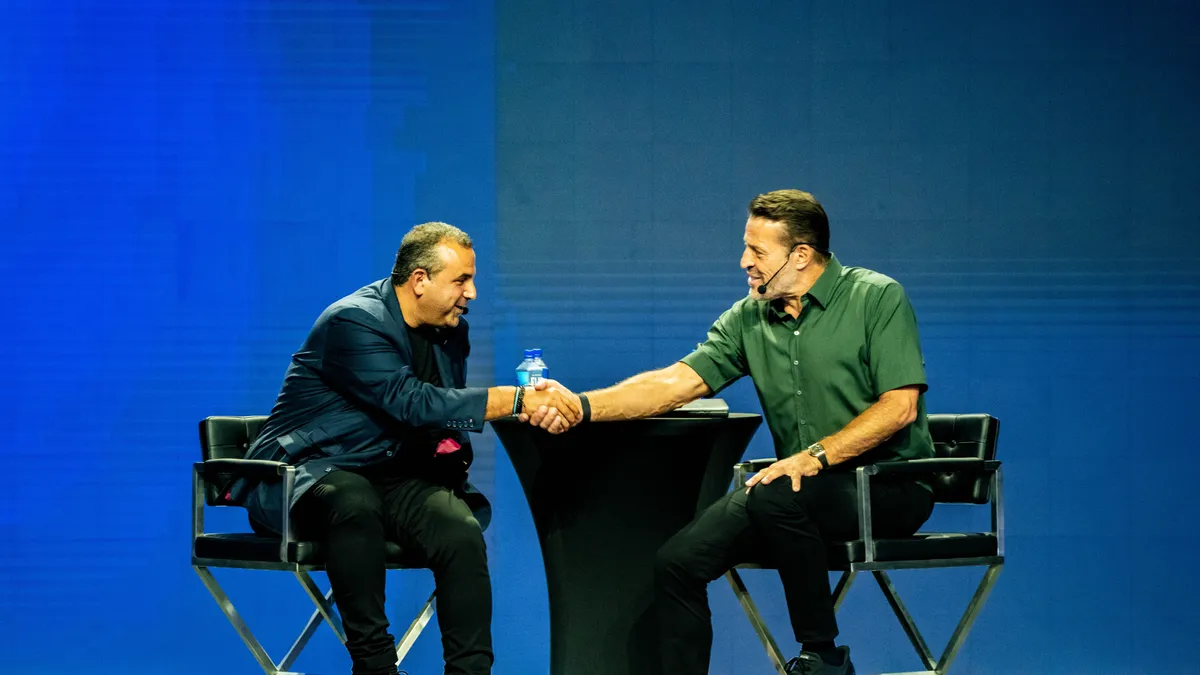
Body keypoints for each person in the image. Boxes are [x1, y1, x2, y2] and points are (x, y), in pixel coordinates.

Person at [532, 190, 935, 675]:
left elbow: (899, 407)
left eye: (758, 252)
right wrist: (580, 406)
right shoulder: (749, 317)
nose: (744, 261)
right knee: (678, 562)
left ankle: (824, 657)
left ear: (801, 255)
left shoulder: (876, 297)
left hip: (889, 487)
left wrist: (814, 456)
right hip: (795, 493)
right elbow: (674, 383)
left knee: (775, 493)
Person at [230, 222, 580, 675]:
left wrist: (525, 407)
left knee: (458, 530)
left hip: (387, 473)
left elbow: (442, 414)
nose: (471, 293)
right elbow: (413, 403)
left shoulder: (449, 330)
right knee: (352, 501)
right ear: (419, 280)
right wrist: (515, 399)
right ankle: (375, 667)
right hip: (306, 476)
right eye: (461, 280)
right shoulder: (352, 321)